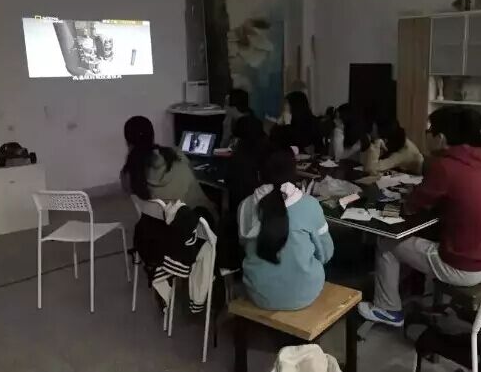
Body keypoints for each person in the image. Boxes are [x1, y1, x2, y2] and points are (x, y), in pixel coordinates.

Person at [358, 107, 481, 327]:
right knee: (418, 239)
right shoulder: (479, 163)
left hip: (464, 267)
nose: (426, 135)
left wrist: (404, 198)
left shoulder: (444, 166)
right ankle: (410, 290)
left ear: (440, 138)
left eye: (429, 130)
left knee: (386, 241)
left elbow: (410, 208)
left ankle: (387, 308)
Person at [238, 148, 334, 310]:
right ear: (294, 173)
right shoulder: (309, 205)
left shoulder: (246, 205)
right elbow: (326, 253)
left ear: (259, 174)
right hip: (305, 294)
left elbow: (243, 244)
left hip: (259, 294)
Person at [121, 115, 216, 218]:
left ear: (127, 142)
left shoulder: (127, 175)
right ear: (152, 136)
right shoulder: (176, 155)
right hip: (197, 222)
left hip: (160, 225)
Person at [223, 114, 270, 268]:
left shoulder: (239, 155)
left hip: (239, 215)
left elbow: (228, 181)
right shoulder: (263, 152)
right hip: (257, 216)